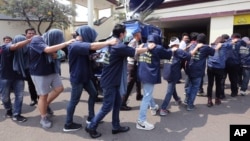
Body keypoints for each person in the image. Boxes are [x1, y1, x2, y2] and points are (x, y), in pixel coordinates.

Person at [85, 24, 155, 138]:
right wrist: (149, 47)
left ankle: (116, 126)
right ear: (122, 34)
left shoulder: (112, 43)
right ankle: (91, 126)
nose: (126, 34)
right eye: (125, 32)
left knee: (117, 104)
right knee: (107, 106)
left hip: (113, 79)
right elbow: (135, 51)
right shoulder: (118, 46)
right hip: (110, 81)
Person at [63, 25, 118, 132]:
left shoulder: (81, 44)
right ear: (87, 34)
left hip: (86, 76)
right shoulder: (76, 44)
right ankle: (68, 124)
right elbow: (92, 46)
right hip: (78, 78)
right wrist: (108, 42)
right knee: (74, 101)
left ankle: (91, 117)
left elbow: (88, 53)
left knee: (94, 94)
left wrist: (94, 56)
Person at [29, 29, 75, 129]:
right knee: (43, 95)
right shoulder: (37, 39)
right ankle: (43, 118)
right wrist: (65, 43)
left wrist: (58, 54)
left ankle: (45, 106)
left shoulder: (52, 42)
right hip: (39, 73)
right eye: (58, 40)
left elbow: (61, 53)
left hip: (52, 70)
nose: (59, 42)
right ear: (53, 37)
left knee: (59, 89)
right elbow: (47, 50)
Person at [136, 33, 174, 130]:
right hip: (149, 74)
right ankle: (141, 121)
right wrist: (172, 48)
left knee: (147, 92)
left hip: (141, 73)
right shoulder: (158, 47)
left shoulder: (142, 45)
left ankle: (153, 106)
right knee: (147, 96)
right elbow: (168, 54)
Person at [1, 35, 31, 122]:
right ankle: (9, 109)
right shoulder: (5, 47)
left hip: (19, 77)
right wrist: (29, 40)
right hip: (5, 77)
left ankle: (16, 114)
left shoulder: (25, 51)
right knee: (5, 97)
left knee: (19, 96)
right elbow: (16, 46)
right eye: (23, 42)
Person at [160, 36, 191, 116]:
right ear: (177, 44)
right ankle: (163, 108)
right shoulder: (179, 51)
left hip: (166, 73)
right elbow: (188, 56)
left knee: (172, 87)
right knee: (169, 91)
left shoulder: (167, 50)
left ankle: (177, 99)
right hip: (173, 74)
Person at [185, 33, 215, 111]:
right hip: (198, 70)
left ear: (197, 40)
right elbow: (213, 52)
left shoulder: (192, 45)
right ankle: (190, 105)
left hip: (189, 68)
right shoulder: (206, 47)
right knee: (194, 88)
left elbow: (188, 54)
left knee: (189, 86)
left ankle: (186, 100)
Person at [121, 27, 143, 111]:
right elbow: (130, 53)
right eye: (140, 33)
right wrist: (139, 50)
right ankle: (122, 103)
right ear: (137, 34)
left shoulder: (137, 41)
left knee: (138, 80)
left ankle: (139, 95)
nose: (141, 34)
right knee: (129, 84)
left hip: (135, 64)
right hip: (132, 65)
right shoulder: (133, 42)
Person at [206, 36, 228, 107]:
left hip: (210, 67)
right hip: (219, 68)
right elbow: (230, 43)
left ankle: (209, 100)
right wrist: (223, 44)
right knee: (218, 84)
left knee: (210, 84)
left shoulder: (210, 46)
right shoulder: (224, 47)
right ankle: (217, 99)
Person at [24, 28, 39, 106]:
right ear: (26, 34)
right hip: (28, 68)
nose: (31, 34)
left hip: (38, 67)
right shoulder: (23, 44)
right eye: (29, 33)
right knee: (31, 85)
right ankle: (33, 99)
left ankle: (41, 99)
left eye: (33, 33)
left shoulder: (38, 43)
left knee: (39, 85)